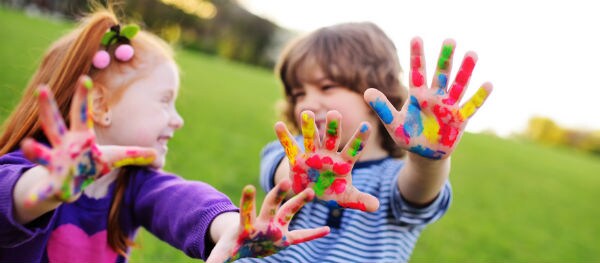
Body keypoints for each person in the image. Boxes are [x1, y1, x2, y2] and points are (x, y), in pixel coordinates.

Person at [0, 7, 329, 263]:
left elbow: (184, 202)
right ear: (100, 105)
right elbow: (11, 196)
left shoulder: (134, 184)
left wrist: (232, 227)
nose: (178, 121)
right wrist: (48, 187)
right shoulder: (23, 172)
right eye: (164, 102)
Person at [240, 22, 492, 262]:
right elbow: (284, 176)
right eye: (298, 94)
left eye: (326, 86)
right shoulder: (290, 152)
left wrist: (427, 159)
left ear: (376, 91)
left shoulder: (395, 176)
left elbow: (420, 193)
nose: (307, 103)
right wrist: (306, 175)